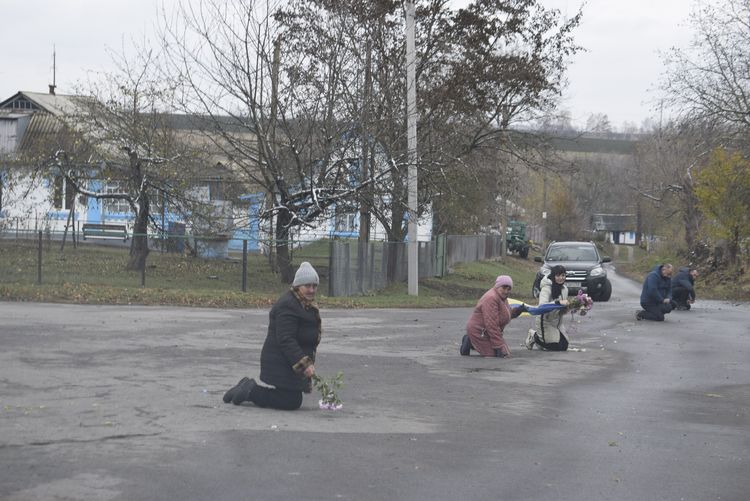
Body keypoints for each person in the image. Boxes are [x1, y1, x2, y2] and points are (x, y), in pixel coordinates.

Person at [223, 262, 322, 410]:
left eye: (314, 286)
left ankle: (247, 387)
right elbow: (286, 339)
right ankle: (250, 391)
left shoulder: (303, 304)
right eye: (307, 286)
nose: (311, 290)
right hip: (279, 361)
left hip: (286, 361)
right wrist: (304, 364)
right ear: (298, 286)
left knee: (291, 398)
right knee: (290, 400)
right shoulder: (288, 305)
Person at [460, 275, 525, 358]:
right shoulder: (491, 298)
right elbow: (492, 325)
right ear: (498, 286)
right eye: (504, 287)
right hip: (479, 331)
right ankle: (469, 340)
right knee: (493, 355)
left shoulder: (502, 298)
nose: (506, 291)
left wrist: (517, 311)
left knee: (506, 353)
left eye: (509, 289)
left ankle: (473, 342)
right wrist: (499, 346)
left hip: (488, 332)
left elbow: (503, 316)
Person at [525, 265, 569, 351]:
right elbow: (542, 307)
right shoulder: (546, 288)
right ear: (553, 276)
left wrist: (572, 307)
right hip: (545, 322)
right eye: (558, 275)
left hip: (557, 323)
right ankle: (534, 336)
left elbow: (562, 308)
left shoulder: (565, 289)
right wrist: (558, 303)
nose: (561, 278)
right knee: (555, 347)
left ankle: (544, 342)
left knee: (564, 346)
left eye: (563, 275)